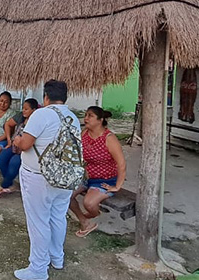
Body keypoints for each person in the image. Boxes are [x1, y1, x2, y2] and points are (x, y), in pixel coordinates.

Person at [13, 80, 80, 279]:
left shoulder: (41, 114)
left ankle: (38, 269)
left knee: (38, 221)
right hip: (64, 177)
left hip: (38, 177)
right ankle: (56, 257)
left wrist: (17, 139)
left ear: (46, 97)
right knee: (58, 217)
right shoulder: (73, 117)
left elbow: (25, 144)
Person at [69, 106, 126, 237]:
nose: (86, 118)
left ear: (100, 120)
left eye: (90, 116)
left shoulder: (109, 138)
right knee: (65, 195)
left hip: (105, 179)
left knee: (89, 203)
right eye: (86, 115)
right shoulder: (85, 133)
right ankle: (85, 222)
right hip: (86, 177)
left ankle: (93, 213)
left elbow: (121, 163)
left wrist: (117, 186)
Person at [0, 98, 39, 200]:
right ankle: (10, 183)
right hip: (14, 145)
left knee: (14, 163)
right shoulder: (21, 117)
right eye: (23, 108)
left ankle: (2, 186)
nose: (23, 111)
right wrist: (9, 140)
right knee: (2, 158)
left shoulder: (36, 121)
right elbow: (8, 124)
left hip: (26, 150)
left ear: (34, 110)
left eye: (26, 109)